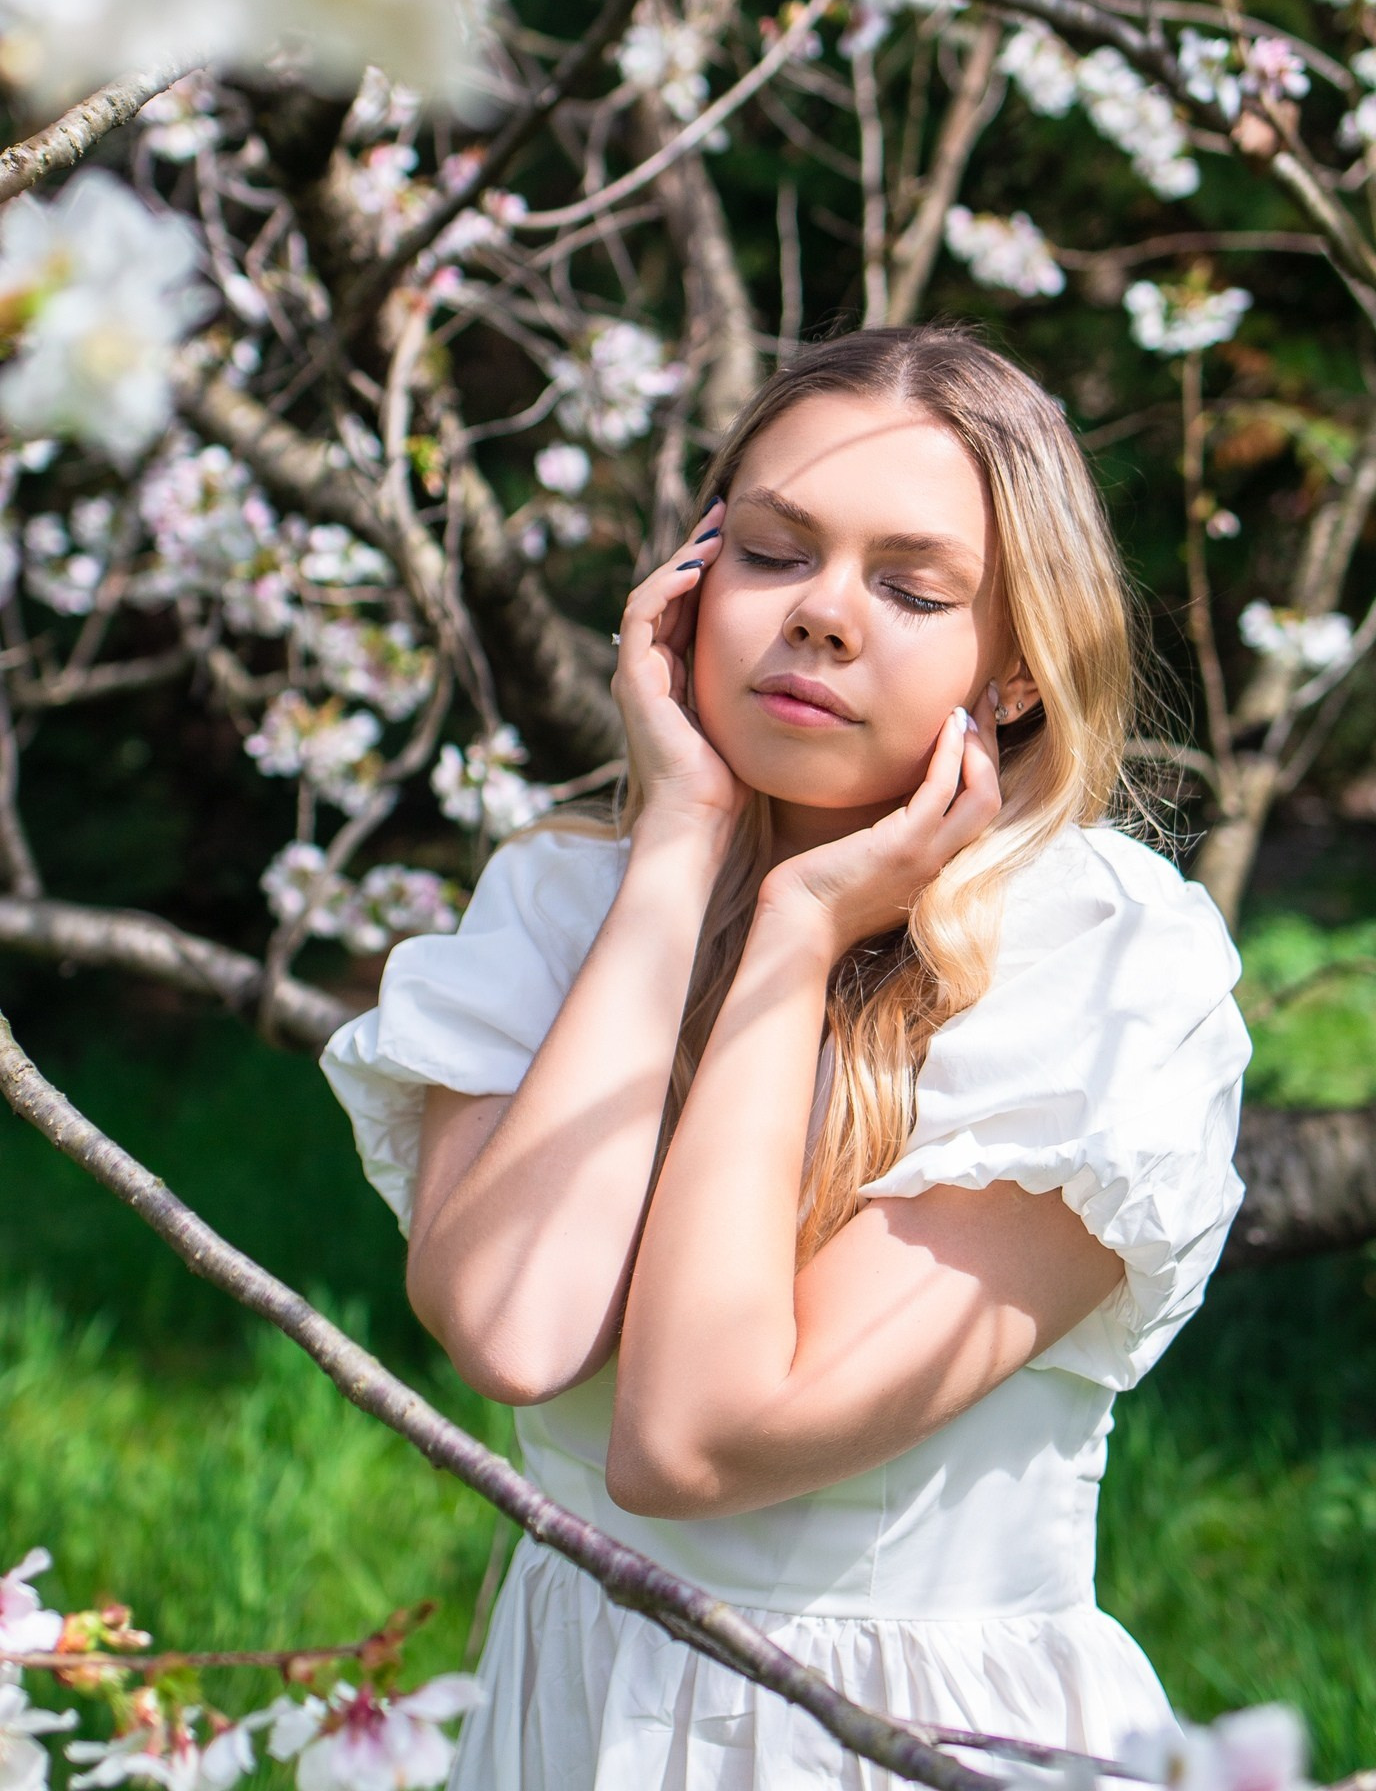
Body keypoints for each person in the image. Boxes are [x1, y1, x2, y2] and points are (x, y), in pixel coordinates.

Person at [321, 324, 1251, 1791]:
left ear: (1013, 671)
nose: (822, 616)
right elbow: (511, 1326)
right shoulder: (568, 905)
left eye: (911, 586)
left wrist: (803, 932)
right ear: (689, 582)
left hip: (900, 1735)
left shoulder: (1107, 971)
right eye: (771, 552)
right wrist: (683, 844)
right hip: (576, 1708)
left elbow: (693, 1442)